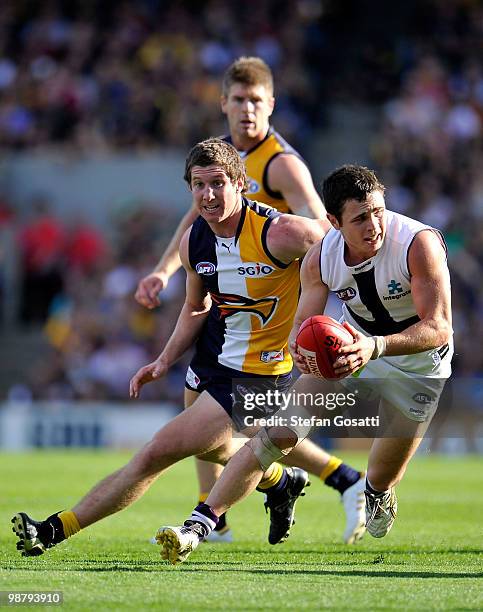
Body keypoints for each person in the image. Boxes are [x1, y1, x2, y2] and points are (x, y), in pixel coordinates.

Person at [12, 140, 357, 558]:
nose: (208, 195)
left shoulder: (283, 232)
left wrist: (348, 327)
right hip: (213, 357)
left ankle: (53, 530)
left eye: (217, 184)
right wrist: (163, 359)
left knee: (156, 453)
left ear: (242, 185)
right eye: (198, 185)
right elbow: (196, 307)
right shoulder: (194, 241)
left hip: (260, 375)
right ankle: (278, 481)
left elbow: (343, 254)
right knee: (210, 447)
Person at [158, 163, 453, 565]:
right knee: (275, 433)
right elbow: (301, 328)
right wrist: (301, 349)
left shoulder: (418, 244)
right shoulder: (320, 257)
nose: (374, 225)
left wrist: (376, 347)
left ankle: (376, 492)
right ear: (333, 222)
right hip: (348, 346)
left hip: (417, 364)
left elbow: (438, 327)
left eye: (379, 211)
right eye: (361, 218)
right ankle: (197, 527)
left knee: (381, 477)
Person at [134, 57, 366, 543]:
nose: (246, 110)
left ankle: (230, 509)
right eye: (238, 100)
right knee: (206, 412)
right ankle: (273, 493)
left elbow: (322, 232)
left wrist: (337, 304)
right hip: (230, 297)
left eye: (256, 101)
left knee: (232, 419)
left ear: (271, 106)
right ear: (223, 103)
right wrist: (163, 269)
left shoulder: (282, 164)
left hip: (271, 304)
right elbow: (194, 225)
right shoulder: (217, 161)